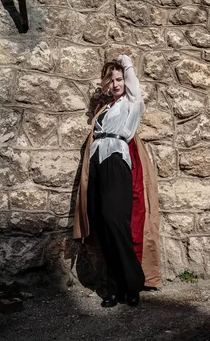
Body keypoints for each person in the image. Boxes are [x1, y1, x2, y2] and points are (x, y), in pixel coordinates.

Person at [73, 55, 161, 308]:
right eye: (111, 80)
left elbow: (133, 85)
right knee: (103, 226)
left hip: (115, 162)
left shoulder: (132, 103)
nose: (116, 84)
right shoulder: (107, 108)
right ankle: (114, 288)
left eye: (120, 79)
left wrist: (124, 61)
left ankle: (133, 284)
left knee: (115, 222)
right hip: (98, 164)